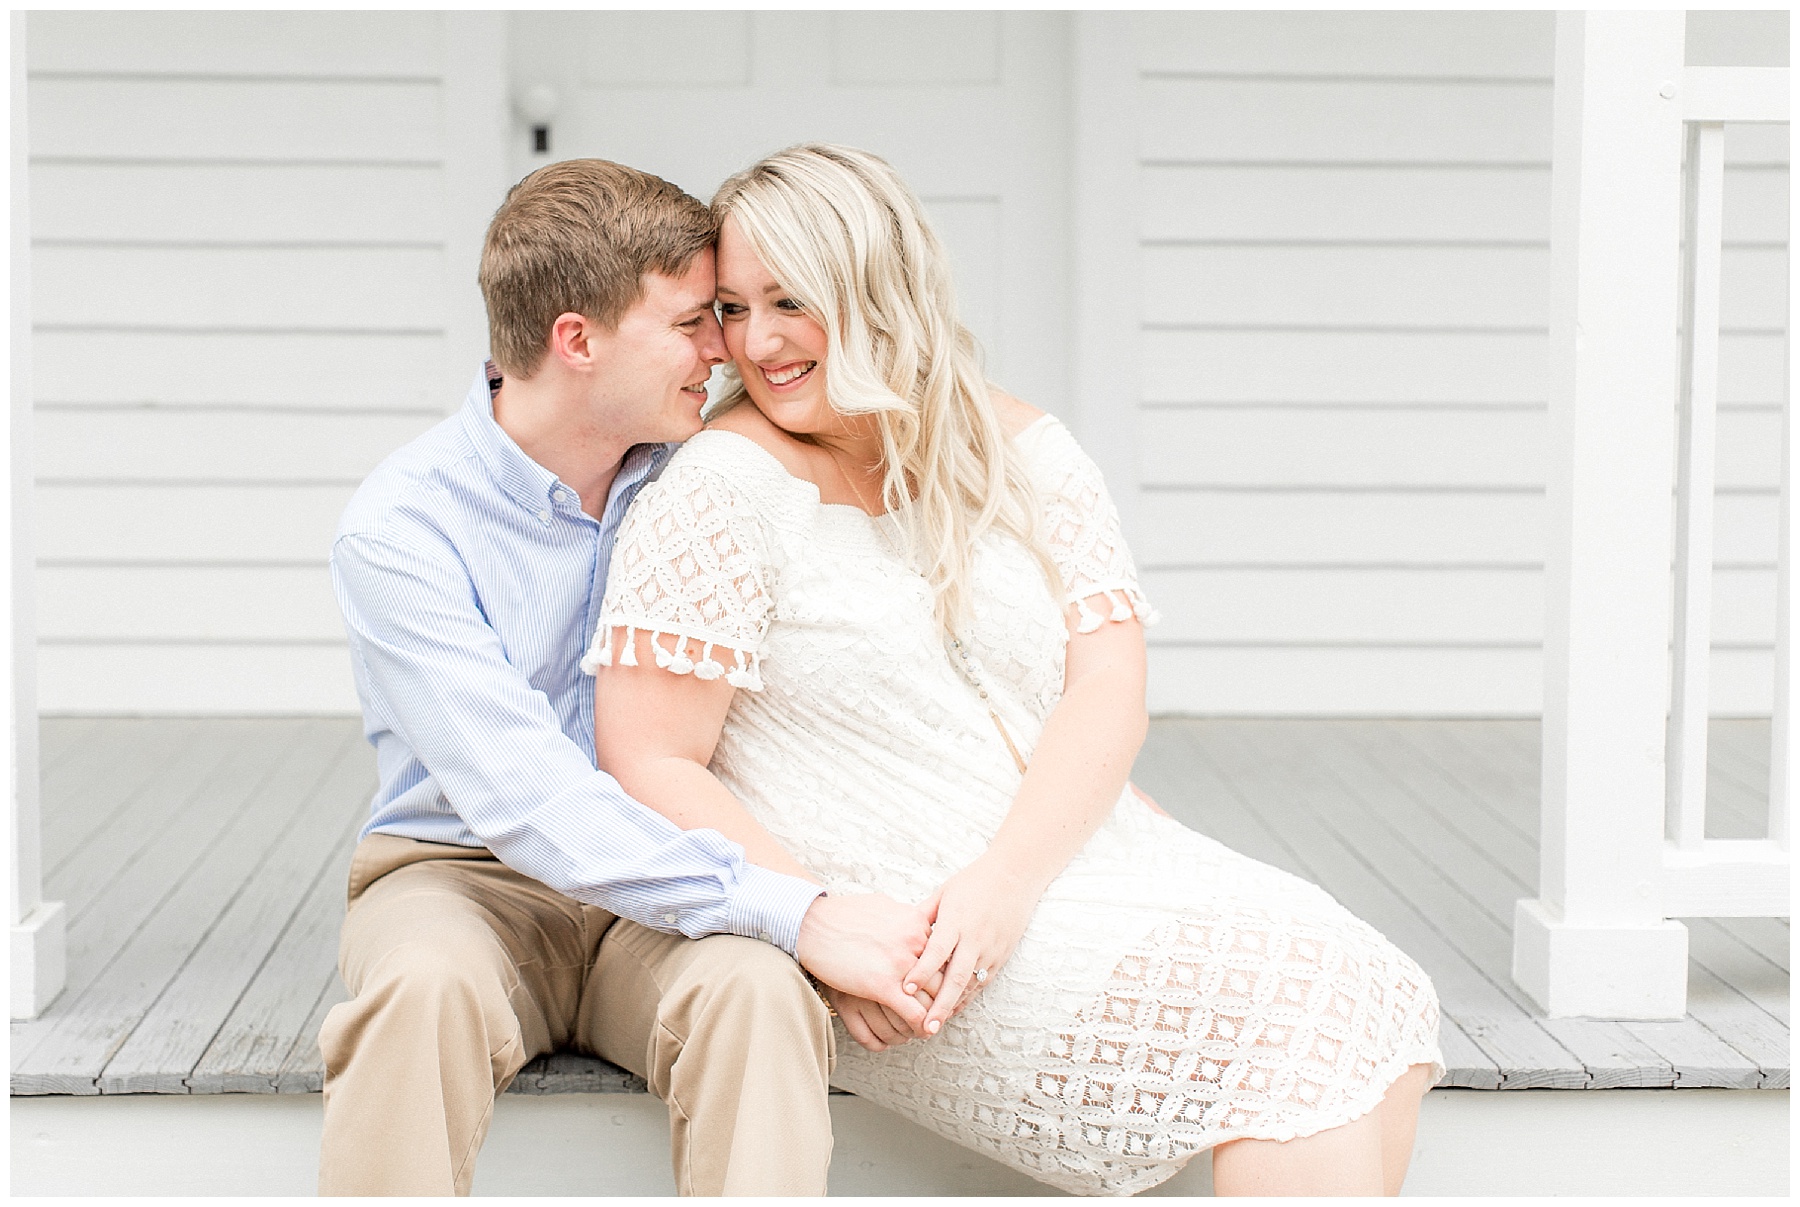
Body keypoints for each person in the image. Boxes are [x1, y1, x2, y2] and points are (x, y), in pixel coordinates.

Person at [586, 144, 1444, 1197]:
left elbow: (1107, 686)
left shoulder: (1020, 449)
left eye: (790, 301)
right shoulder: (726, 485)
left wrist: (1007, 882)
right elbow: (649, 755)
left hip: (1061, 859)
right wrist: (816, 923)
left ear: (875, 290)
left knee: (1367, 979)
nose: (756, 344)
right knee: (1294, 1010)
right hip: (897, 929)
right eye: (729, 309)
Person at [321, 157, 941, 1197]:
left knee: (755, 990)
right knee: (417, 990)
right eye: (696, 320)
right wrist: (800, 910)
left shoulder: (706, 468)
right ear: (578, 339)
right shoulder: (401, 531)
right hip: (464, 876)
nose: (726, 348)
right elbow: (528, 800)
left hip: (663, 889)